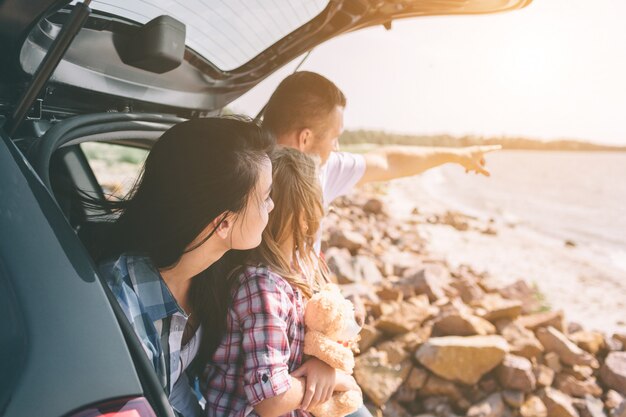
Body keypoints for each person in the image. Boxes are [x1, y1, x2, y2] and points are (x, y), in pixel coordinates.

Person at [97, 117, 275, 417]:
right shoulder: (120, 304)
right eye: (265, 197)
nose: (272, 205)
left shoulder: (217, 269)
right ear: (223, 222)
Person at [202, 147, 361, 417]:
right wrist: (336, 381)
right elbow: (271, 399)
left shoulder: (298, 270)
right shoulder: (262, 286)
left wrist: (325, 366)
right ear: (305, 214)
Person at [262, 71, 501, 250]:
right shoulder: (246, 181)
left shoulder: (322, 168)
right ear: (305, 139)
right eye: (335, 137)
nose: (337, 147)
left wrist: (456, 155)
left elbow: (389, 161)